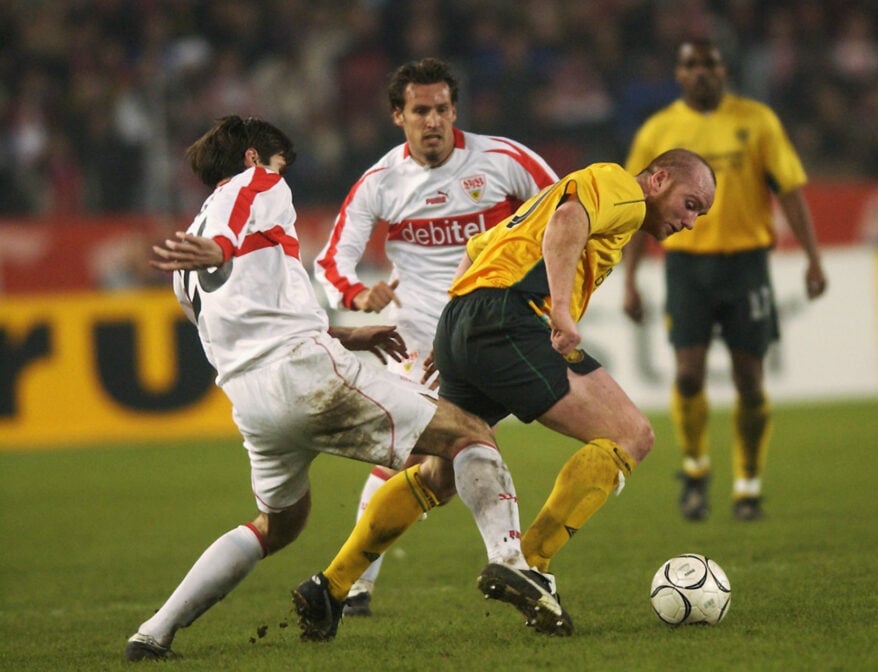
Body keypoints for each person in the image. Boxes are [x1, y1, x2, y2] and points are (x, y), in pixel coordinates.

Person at [123, 115, 566, 662]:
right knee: (467, 432)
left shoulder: (181, 267)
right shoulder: (255, 185)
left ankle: (155, 631)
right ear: (254, 158)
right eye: (279, 163)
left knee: (278, 525)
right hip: (304, 374)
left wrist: (345, 333)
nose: (283, 174)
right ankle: (511, 563)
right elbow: (231, 233)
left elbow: (246, 321)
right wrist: (220, 249)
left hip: (251, 399)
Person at [314, 57, 558, 616]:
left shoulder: (504, 160)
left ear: (455, 111)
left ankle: (350, 583)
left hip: (498, 326)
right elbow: (333, 261)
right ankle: (509, 565)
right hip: (419, 341)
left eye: (442, 109)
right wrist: (356, 295)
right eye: (420, 110)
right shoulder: (381, 182)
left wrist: (549, 292)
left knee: (434, 463)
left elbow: (566, 213)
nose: (433, 121)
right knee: (442, 448)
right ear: (397, 116)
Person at [431, 149, 716, 599]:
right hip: (512, 314)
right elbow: (568, 220)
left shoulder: (546, 201)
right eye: (692, 204)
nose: (690, 223)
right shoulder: (624, 191)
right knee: (633, 434)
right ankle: (529, 564)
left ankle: (332, 584)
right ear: (659, 180)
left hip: (466, 314)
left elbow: (476, 249)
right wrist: (561, 308)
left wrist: (452, 322)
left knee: (439, 470)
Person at [621, 39, 827, 522]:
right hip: (687, 267)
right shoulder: (659, 130)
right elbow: (636, 206)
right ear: (679, 73)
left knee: (750, 381)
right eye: (691, 64)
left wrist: (814, 260)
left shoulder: (757, 120)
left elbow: (790, 193)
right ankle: (695, 470)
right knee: (688, 373)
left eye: (709, 64)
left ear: (723, 69)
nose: (701, 73)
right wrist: (629, 280)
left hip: (746, 264)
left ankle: (748, 482)